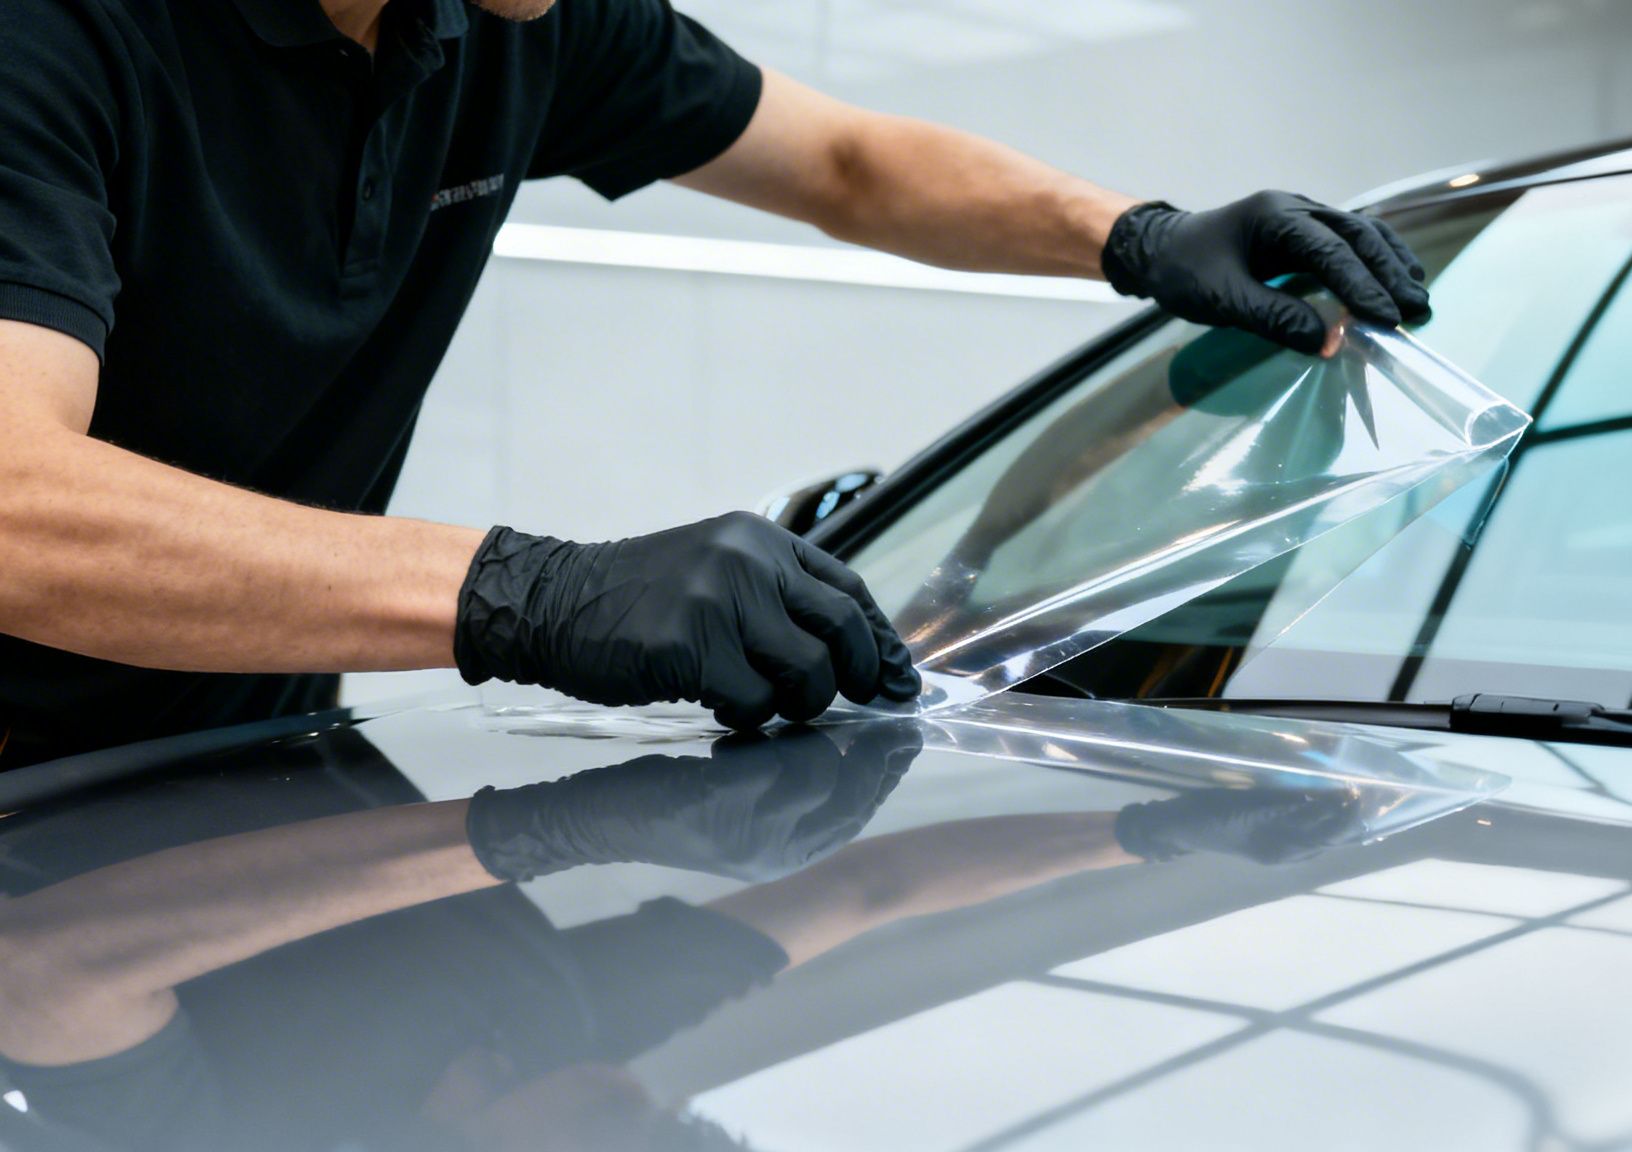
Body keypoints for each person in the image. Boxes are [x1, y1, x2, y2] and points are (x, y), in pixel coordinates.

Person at [0, 0, 1432, 766]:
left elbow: (842, 163)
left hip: (261, 762)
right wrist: (531, 592)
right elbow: (13, 504)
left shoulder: (512, 18)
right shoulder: (53, 42)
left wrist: (1134, 235)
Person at [0, 720, 1371, 1150]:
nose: (657, 1106)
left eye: (632, 1139)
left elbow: (40, 971)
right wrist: (1150, 836)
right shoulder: (576, 1054)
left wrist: (539, 833)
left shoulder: (244, 1141)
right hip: (246, 690)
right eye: (679, 1130)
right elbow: (863, 897)